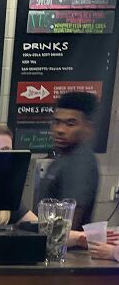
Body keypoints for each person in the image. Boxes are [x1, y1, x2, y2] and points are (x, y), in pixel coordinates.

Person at [37, 91, 99, 232]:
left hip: (64, 251)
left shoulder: (81, 162)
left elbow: (68, 226)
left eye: (70, 124)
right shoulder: (63, 158)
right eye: (57, 122)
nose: (60, 130)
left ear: (88, 128)